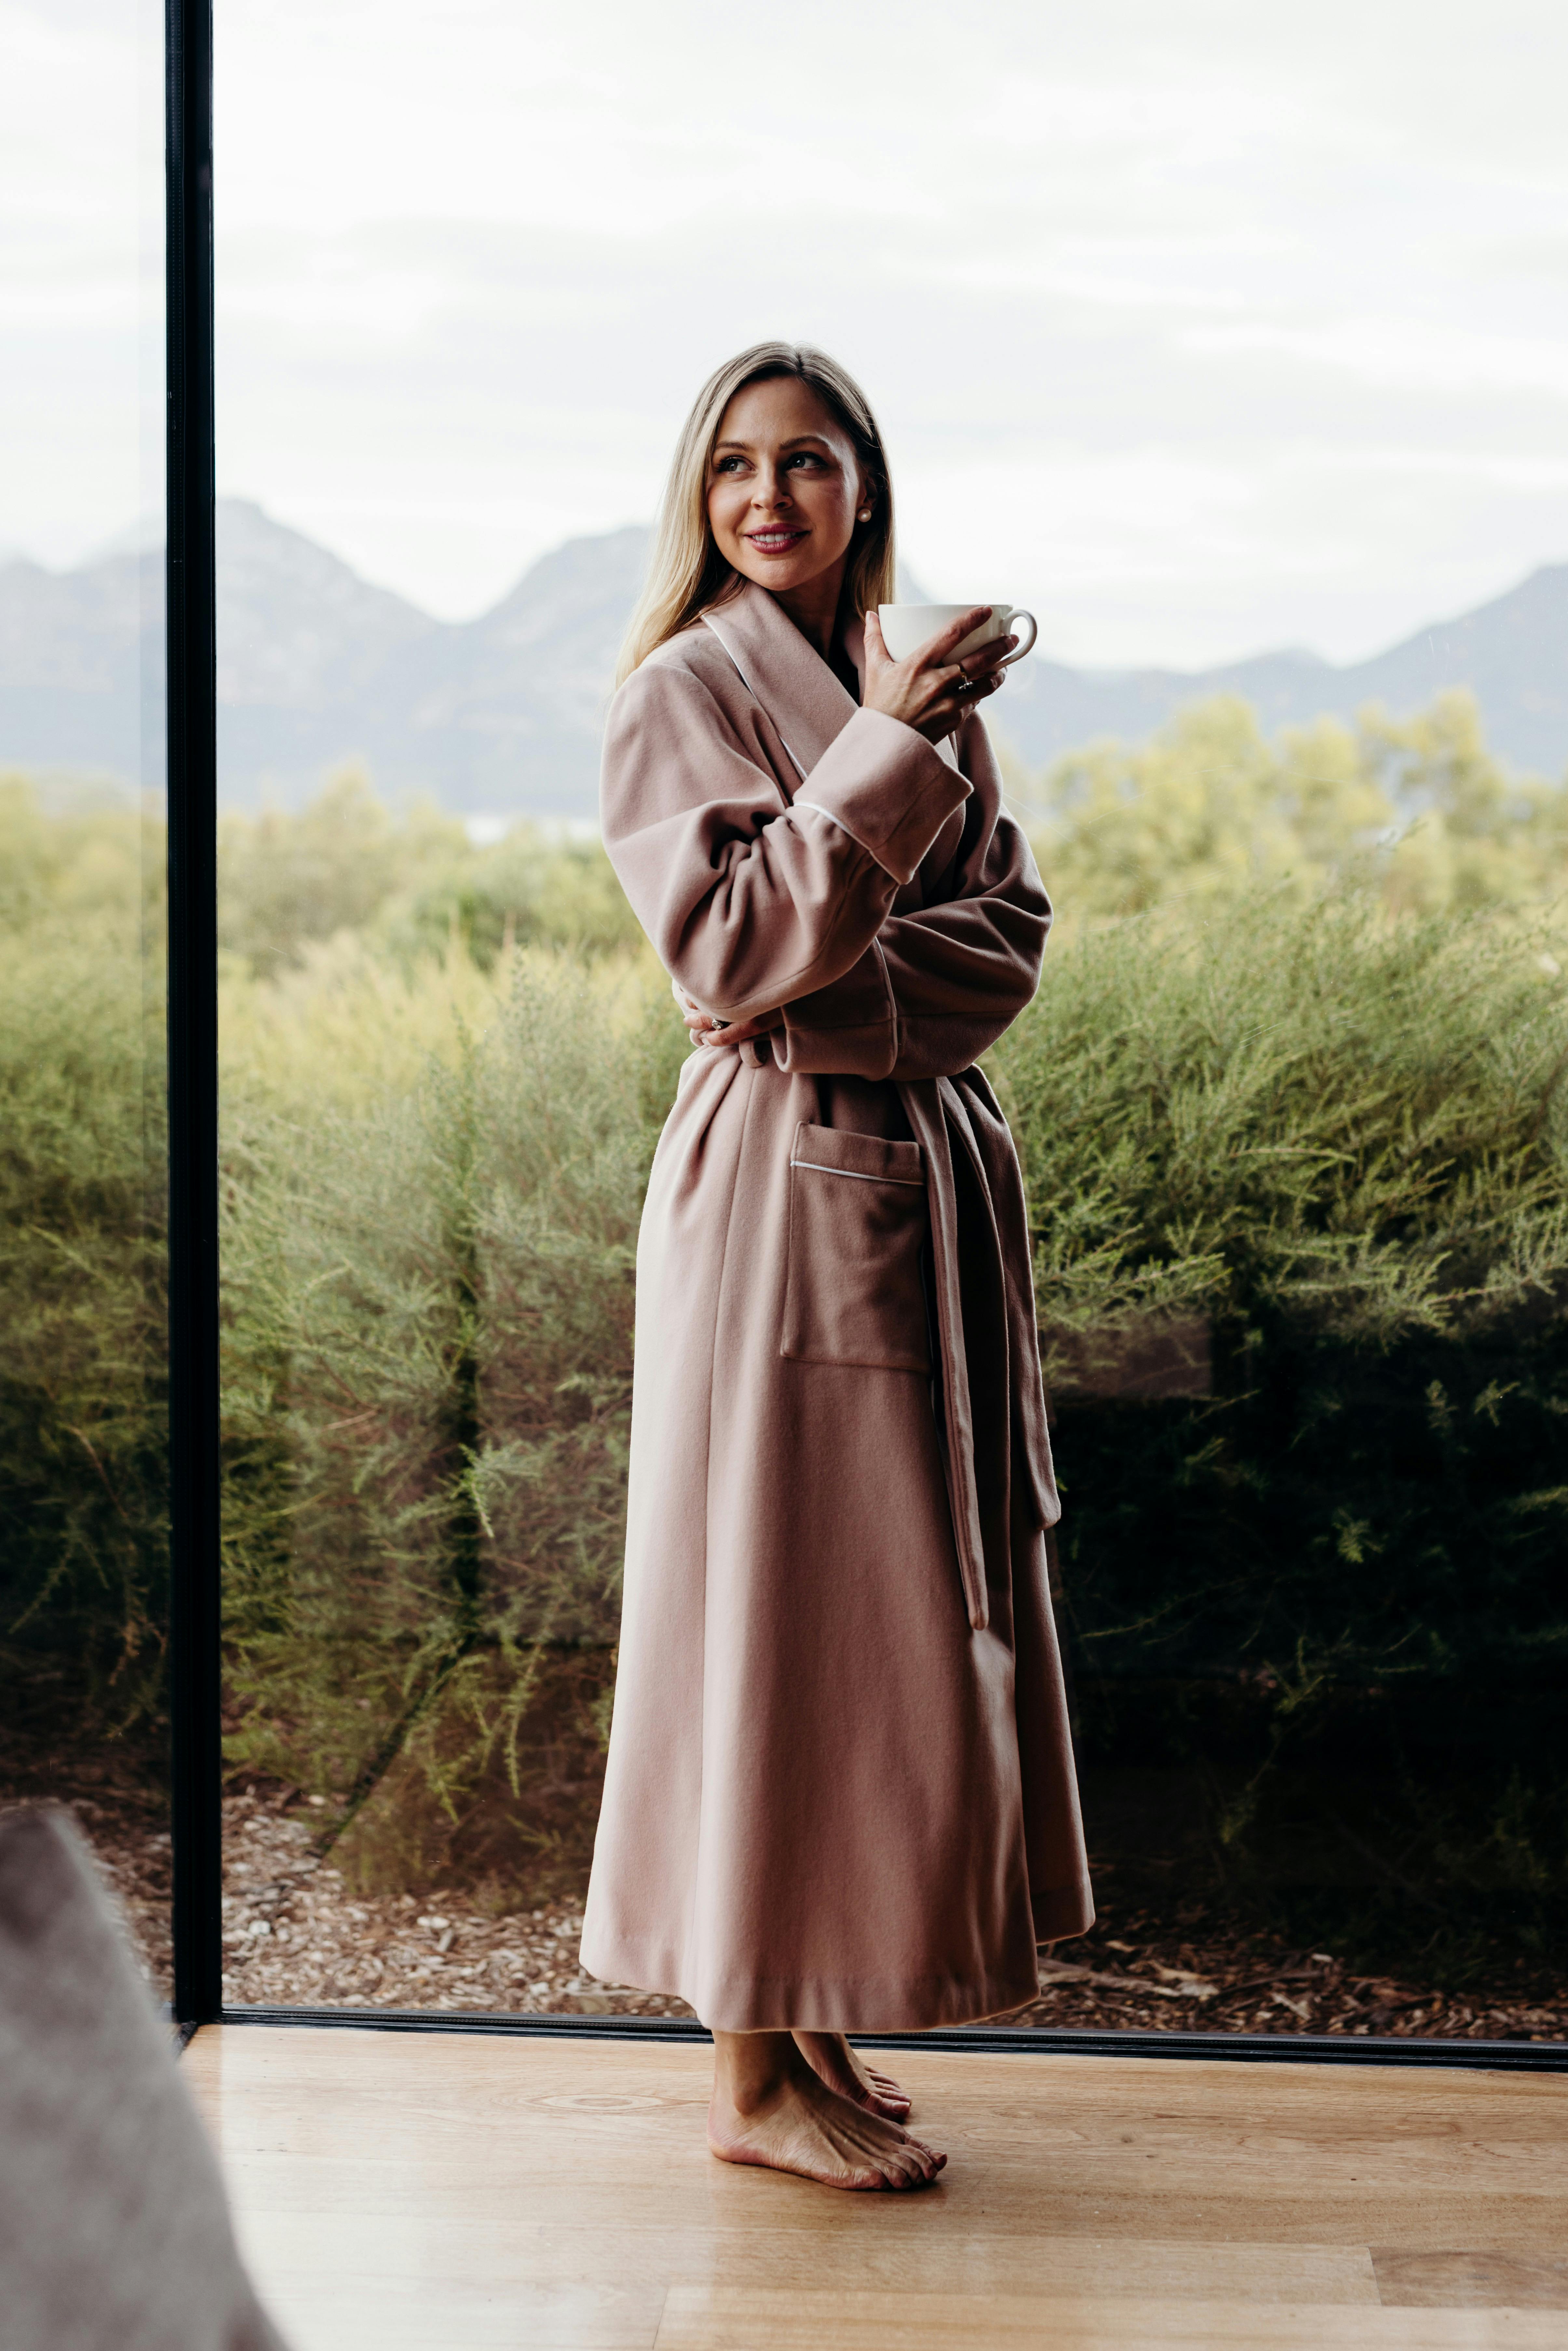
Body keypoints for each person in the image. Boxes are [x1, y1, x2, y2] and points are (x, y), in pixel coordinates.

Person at [579, 341, 1092, 2193]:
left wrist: (831, 986)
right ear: (696, 497)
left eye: (805, 463)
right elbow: (725, 948)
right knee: (770, 1610)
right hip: (773, 1207)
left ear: (863, 485)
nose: (767, 497)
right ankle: (742, 2075)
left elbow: (1006, 947)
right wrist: (876, 786)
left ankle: (805, 2023)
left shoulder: (905, 686)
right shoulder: (682, 691)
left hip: (903, 1177)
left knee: (860, 1618)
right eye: (731, 467)